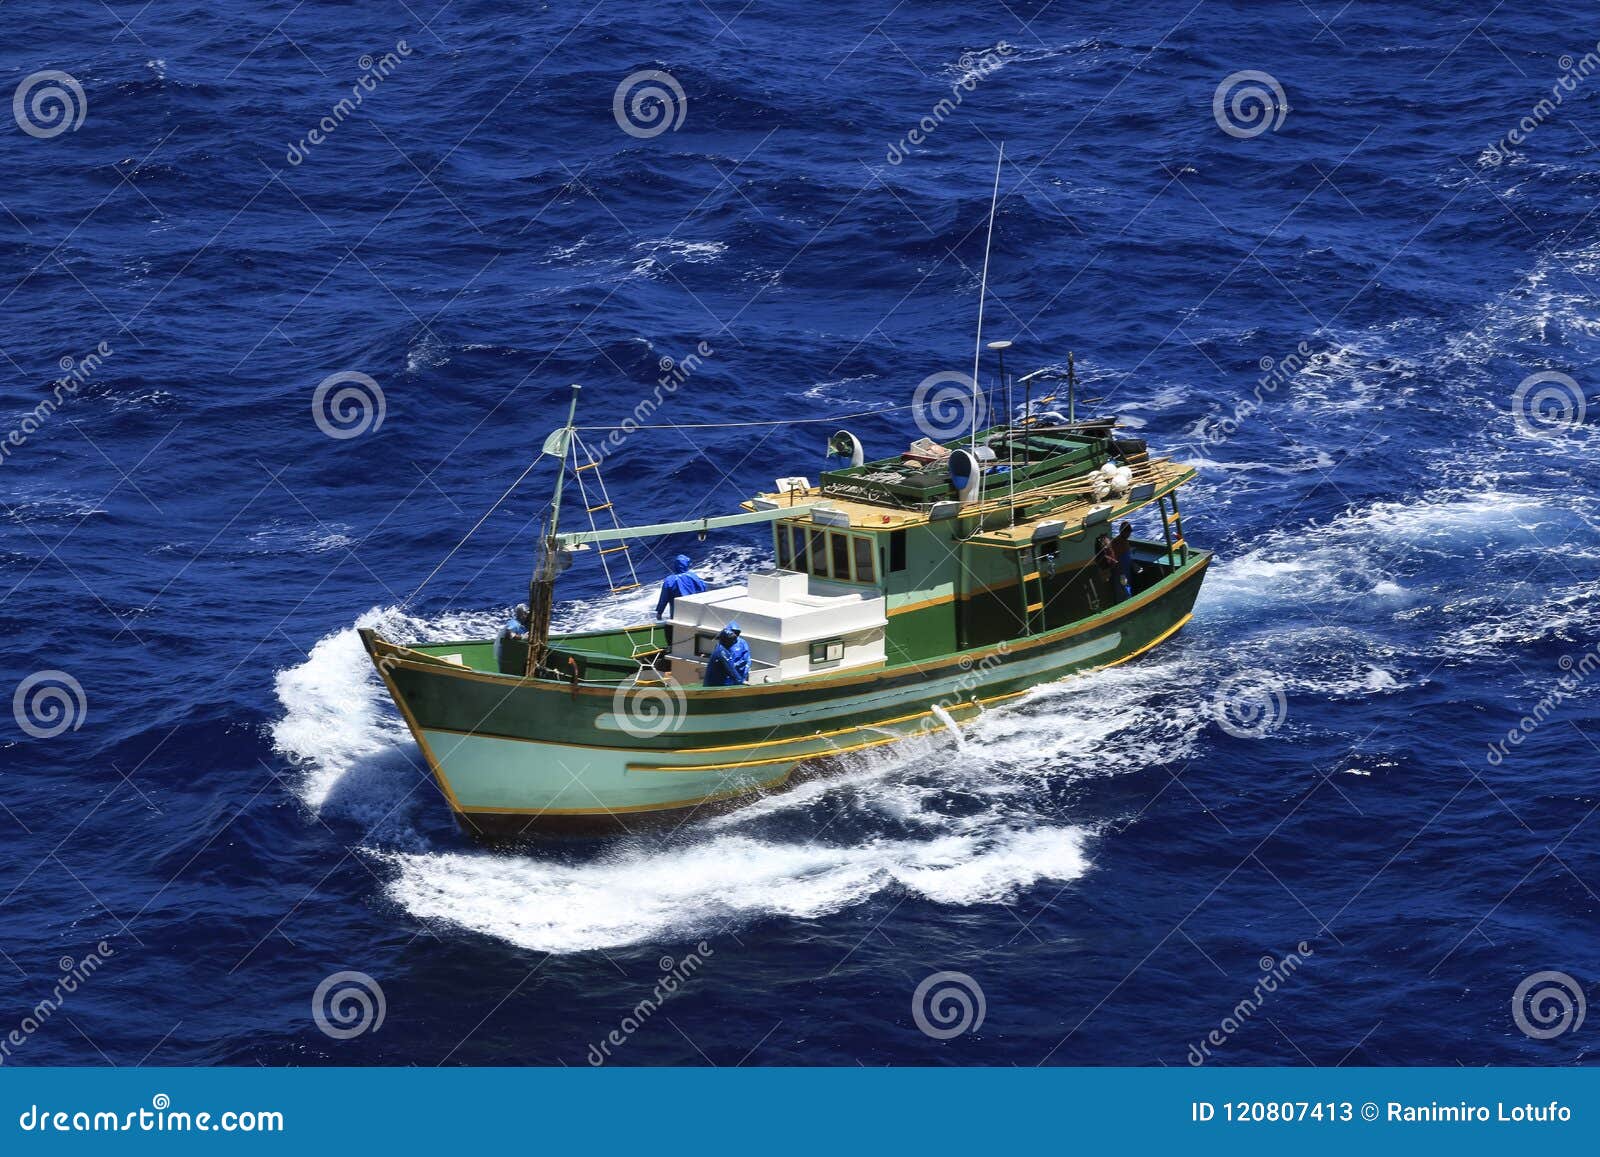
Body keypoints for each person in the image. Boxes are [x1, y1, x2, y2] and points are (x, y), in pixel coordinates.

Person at [656, 554, 708, 619]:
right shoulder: (694, 576)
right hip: (696, 613)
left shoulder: (669, 580)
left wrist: (659, 613)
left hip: (678, 616)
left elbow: (663, 599)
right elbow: (703, 589)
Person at [702, 622, 751, 687]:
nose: (733, 643)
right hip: (714, 684)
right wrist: (741, 681)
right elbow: (729, 667)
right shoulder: (721, 652)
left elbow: (746, 659)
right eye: (732, 641)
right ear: (727, 641)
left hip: (721, 683)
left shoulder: (721, 648)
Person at [494, 603, 530, 671]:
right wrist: (522, 637)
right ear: (521, 615)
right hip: (510, 656)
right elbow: (509, 633)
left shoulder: (523, 624)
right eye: (525, 614)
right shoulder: (514, 623)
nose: (526, 616)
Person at [1093, 533, 1125, 603]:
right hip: (1105, 560)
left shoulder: (1104, 564)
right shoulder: (1107, 564)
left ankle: (1102, 539)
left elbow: (1105, 556)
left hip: (1104, 560)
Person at [1111, 521, 1136, 598]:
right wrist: (1121, 573)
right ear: (1124, 532)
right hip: (1121, 572)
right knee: (1124, 592)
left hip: (1126, 570)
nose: (1129, 534)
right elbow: (1116, 558)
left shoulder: (1125, 541)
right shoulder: (1117, 542)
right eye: (1128, 532)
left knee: (1127, 588)